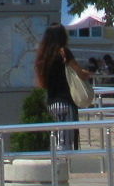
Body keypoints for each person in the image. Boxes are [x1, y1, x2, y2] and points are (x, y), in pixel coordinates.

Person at [35, 23, 90, 152]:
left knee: (55, 142)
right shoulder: (64, 52)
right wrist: (86, 73)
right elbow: (78, 73)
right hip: (65, 102)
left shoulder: (43, 56)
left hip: (51, 103)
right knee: (65, 144)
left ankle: (56, 168)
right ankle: (62, 169)